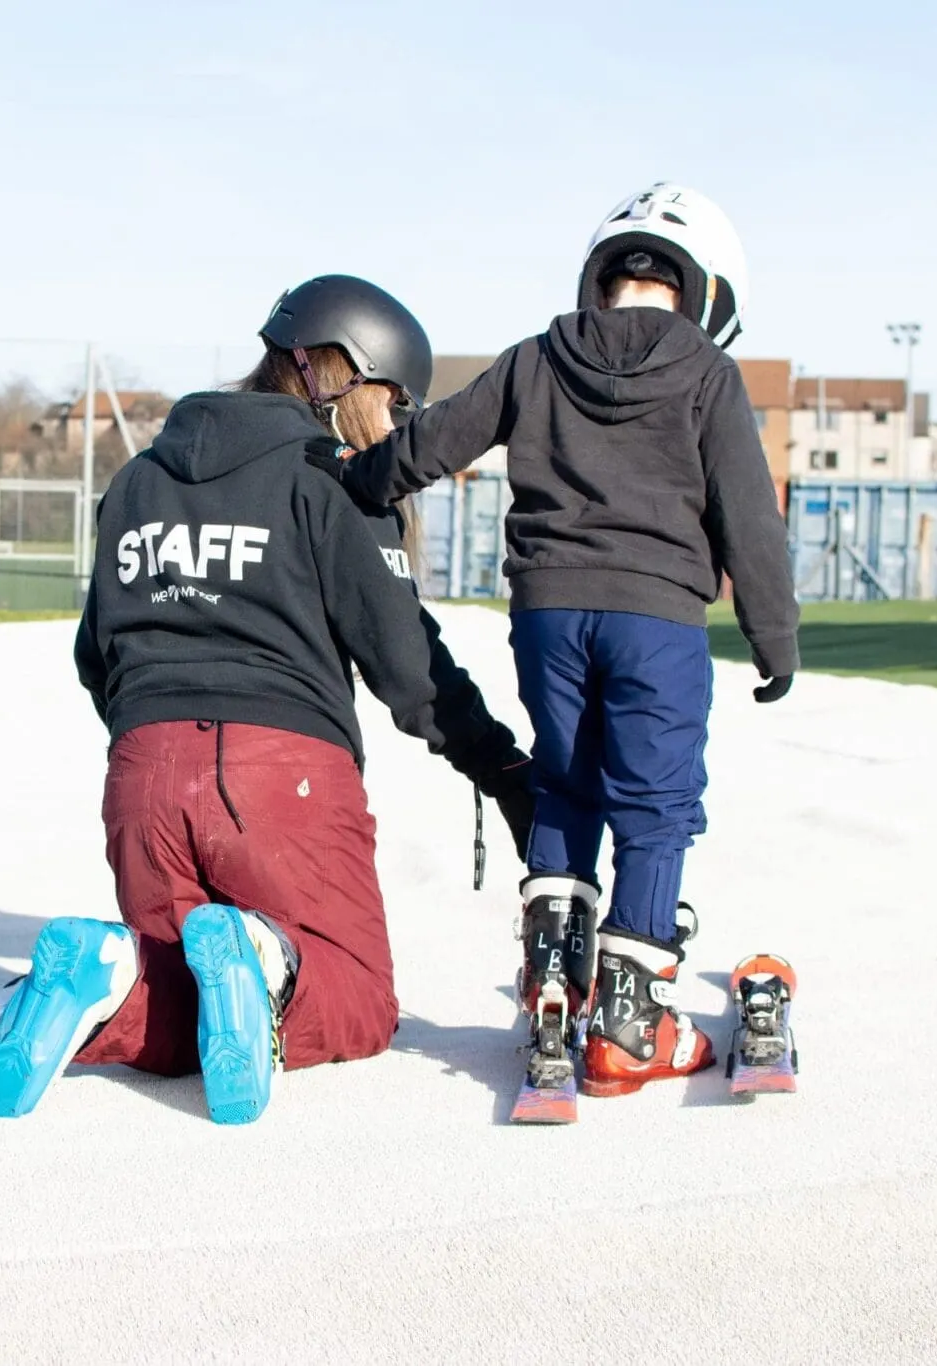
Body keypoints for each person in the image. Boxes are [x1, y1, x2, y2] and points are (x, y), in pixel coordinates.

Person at [0, 275, 534, 1125]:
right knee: (352, 995)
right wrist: (502, 768)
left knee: (179, 1009)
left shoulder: (136, 480)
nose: (393, 425)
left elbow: (98, 656)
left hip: (143, 771)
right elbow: (408, 666)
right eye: (391, 400)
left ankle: (112, 976)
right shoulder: (330, 478)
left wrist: (158, 749)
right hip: (283, 773)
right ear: (333, 370)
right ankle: (269, 958)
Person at [329, 184, 800, 1096]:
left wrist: (355, 476)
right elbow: (749, 514)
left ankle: (552, 982)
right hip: (657, 617)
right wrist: (773, 636)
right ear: (703, 289)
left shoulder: (537, 357)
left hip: (547, 612)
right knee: (655, 806)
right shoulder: (708, 373)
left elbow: (432, 443)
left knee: (567, 780)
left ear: (603, 272)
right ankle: (628, 1025)